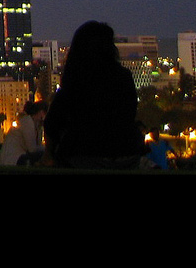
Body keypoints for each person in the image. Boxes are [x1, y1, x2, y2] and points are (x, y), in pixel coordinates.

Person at [44, 20, 145, 169]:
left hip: (85, 155)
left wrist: (48, 155)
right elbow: (130, 113)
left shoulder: (77, 79)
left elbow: (52, 122)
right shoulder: (124, 77)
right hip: (128, 155)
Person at [0, 98, 48, 166]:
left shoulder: (37, 126)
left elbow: (36, 147)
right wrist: (46, 148)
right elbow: (32, 149)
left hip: (16, 158)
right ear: (41, 112)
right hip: (12, 159)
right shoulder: (27, 122)